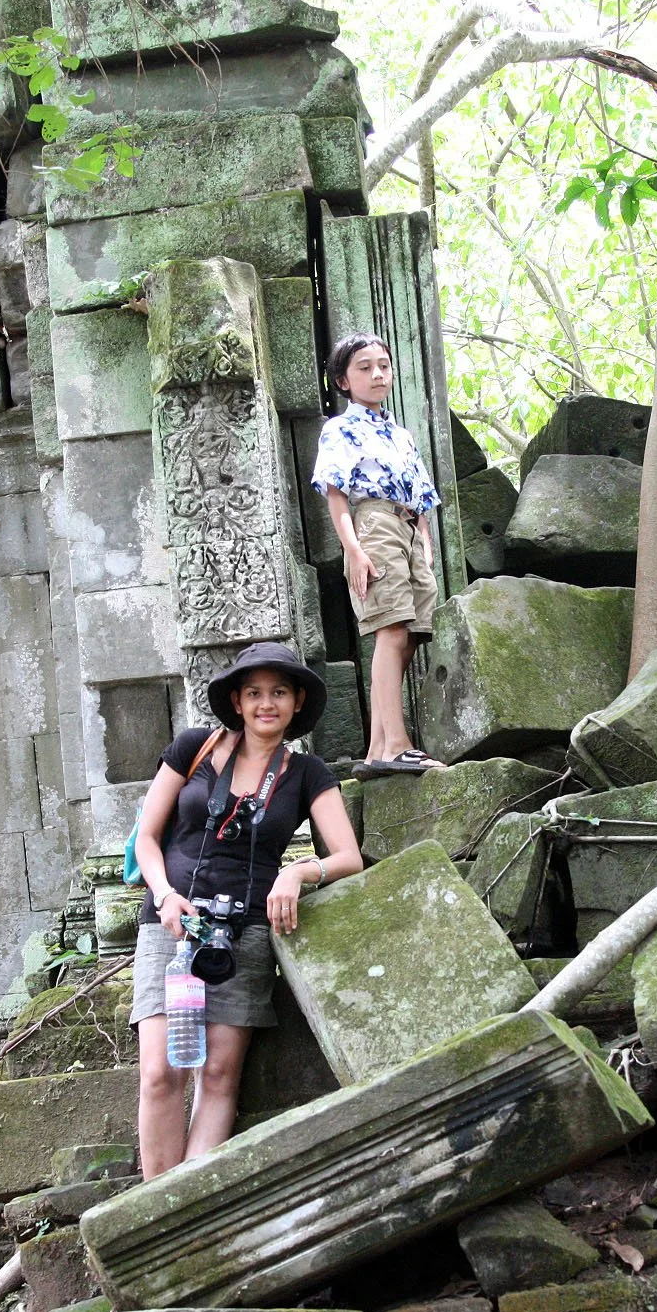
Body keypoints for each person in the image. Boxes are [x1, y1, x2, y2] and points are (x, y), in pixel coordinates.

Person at [131, 641, 363, 1176]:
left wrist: (299, 871)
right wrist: (165, 895)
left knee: (217, 1075)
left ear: (297, 701)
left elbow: (348, 856)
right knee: (160, 1073)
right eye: (254, 692)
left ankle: (190, 1204)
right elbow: (147, 837)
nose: (266, 704)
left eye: (279, 692)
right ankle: (154, 1210)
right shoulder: (193, 746)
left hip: (246, 930)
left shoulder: (307, 773)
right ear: (236, 700)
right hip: (172, 921)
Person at [310, 332, 446, 774]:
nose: (377, 374)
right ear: (343, 380)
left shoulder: (402, 435)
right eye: (365, 367)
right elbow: (335, 493)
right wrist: (353, 549)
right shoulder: (340, 428)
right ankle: (397, 746)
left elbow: (422, 496)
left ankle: (376, 751)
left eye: (383, 365)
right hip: (373, 524)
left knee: (409, 636)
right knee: (390, 630)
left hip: (408, 528)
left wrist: (424, 539)